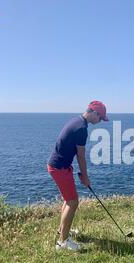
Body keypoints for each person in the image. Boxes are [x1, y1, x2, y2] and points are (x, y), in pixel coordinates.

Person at [47, 101, 108, 251]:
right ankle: (63, 242)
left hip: (59, 166)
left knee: (68, 200)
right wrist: (85, 177)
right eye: (100, 118)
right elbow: (81, 156)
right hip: (59, 168)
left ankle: (63, 231)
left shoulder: (77, 120)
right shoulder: (81, 128)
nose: (100, 121)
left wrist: (80, 173)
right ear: (94, 113)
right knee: (73, 202)